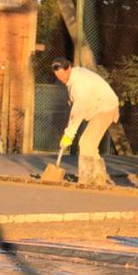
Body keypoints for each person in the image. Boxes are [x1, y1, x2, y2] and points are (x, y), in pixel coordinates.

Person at [51, 57, 119, 187]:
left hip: (106, 107)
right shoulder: (73, 78)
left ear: (69, 68)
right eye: (57, 76)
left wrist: (69, 134)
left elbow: (78, 110)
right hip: (96, 107)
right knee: (90, 144)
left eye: (62, 75)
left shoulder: (79, 84)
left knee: (86, 142)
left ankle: (86, 179)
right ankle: (99, 178)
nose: (60, 78)